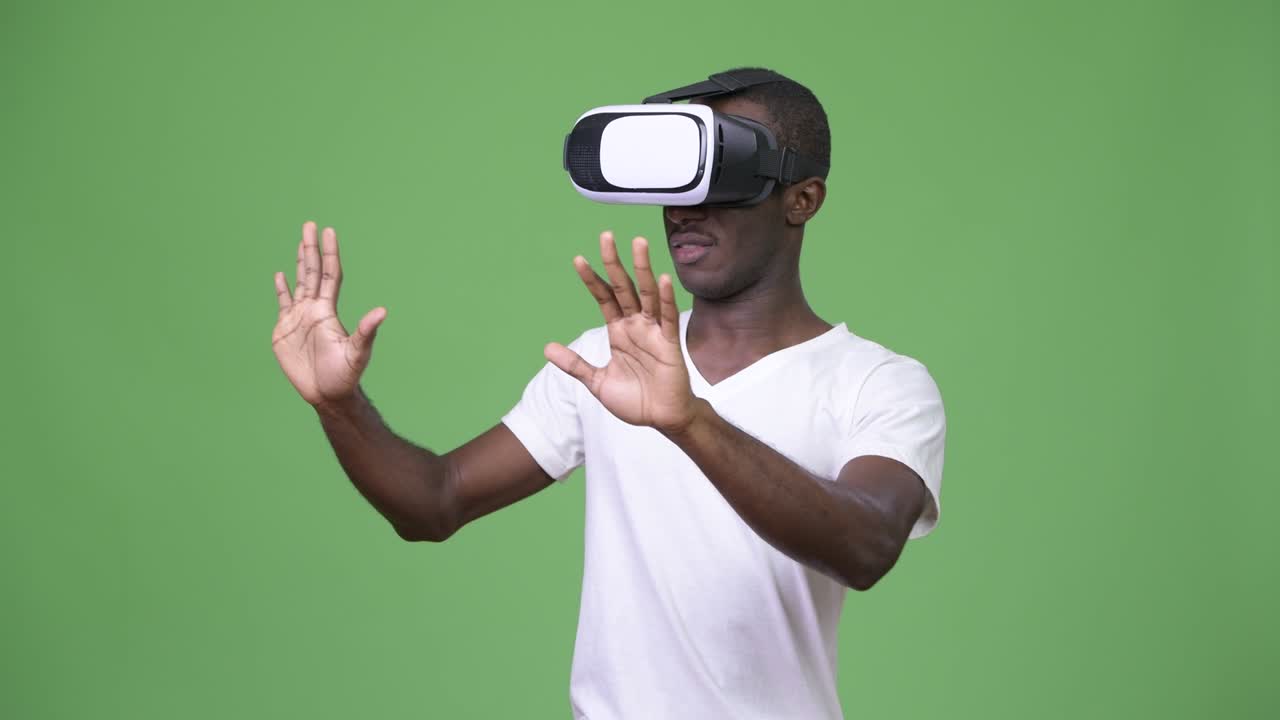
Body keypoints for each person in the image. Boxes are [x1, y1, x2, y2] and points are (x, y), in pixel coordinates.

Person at [270, 68, 946, 720]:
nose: (685, 209)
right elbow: (434, 503)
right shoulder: (606, 360)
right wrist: (338, 404)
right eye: (675, 179)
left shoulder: (876, 382)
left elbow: (866, 546)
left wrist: (690, 423)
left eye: (725, 177)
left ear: (802, 198)